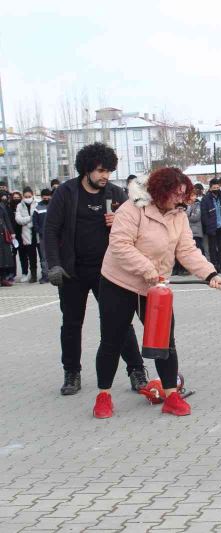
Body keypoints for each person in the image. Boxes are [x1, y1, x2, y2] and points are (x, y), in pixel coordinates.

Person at [94, 168, 221, 419]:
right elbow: (120, 245)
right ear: (160, 191)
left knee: (165, 341)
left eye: (184, 195)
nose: (181, 200)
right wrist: (148, 269)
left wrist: (210, 274)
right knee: (112, 340)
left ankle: (171, 395)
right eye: (176, 194)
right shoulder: (132, 209)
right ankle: (103, 396)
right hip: (118, 283)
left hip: (155, 288)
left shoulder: (179, 216)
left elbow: (187, 249)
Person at [44, 142, 147, 396]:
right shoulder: (66, 193)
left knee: (119, 323)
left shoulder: (116, 194)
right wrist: (54, 264)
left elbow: (139, 230)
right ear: (87, 169)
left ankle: (137, 371)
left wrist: (119, 223)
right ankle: (72, 373)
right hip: (72, 272)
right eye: (101, 170)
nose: (105, 176)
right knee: (71, 323)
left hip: (110, 273)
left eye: (109, 171)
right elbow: (50, 230)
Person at [200, 178, 221, 273]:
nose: (216, 189)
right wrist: (208, 224)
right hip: (212, 227)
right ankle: (214, 266)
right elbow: (204, 215)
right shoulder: (205, 199)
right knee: (212, 248)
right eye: (214, 187)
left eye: (217, 187)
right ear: (210, 188)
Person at [15, 187, 39, 283]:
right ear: (23, 196)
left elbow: (39, 217)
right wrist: (30, 218)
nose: (27, 198)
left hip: (38, 232)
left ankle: (46, 274)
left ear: (32, 195)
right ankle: (33, 275)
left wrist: (32, 220)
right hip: (27, 235)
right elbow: (18, 219)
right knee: (31, 257)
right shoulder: (20, 206)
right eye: (26, 196)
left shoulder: (37, 203)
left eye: (29, 196)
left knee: (42, 256)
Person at [32, 188, 51, 283]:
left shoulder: (54, 205)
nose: (46, 197)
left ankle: (55, 275)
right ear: (42, 197)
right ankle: (45, 275)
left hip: (54, 236)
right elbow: (34, 221)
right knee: (44, 257)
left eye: (48, 195)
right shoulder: (38, 207)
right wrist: (39, 230)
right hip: (43, 236)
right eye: (44, 196)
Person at [0, 191, 14, 286]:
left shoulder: (1, 207)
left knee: (4, 258)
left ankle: (3, 278)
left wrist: (12, 232)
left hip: (2, 235)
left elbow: (6, 220)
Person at [186, 183, 205, 254]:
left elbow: (195, 217)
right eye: (192, 196)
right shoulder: (186, 205)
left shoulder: (198, 204)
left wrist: (188, 214)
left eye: (195, 195)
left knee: (199, 250)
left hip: (197, 232)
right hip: (188, 232)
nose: (194, 197)